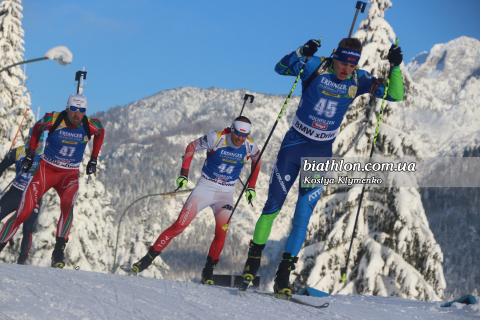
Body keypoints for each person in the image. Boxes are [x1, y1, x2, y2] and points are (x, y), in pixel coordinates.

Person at [240, 38, 404, 295]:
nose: (346, 69)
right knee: (273, 206)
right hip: (294, 146)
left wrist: (395, 67)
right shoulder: (315, 66)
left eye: (352, 65)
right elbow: (280, 69)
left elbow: (394, 95)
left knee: (302, 217)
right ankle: (251, 264)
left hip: (319, 153)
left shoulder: (358, 80)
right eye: (343, 62)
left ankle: (283, 277)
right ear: (335, 56)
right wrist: (299, 53)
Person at [125, 116, 261, 285]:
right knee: (179, 226)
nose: (240, 139)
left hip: (225, 194)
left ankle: (208, 273)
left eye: (244, 135)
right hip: (205, 188)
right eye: (238, 134)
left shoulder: (250, 145)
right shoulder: (216, 138)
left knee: (221, 232)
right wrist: (184, 173)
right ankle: (145, 260)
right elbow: (191, 146)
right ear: (232, 129)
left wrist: (251, 187)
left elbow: (257, 160)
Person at [0, 93, 105, 268]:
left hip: (69, 175)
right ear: (67, 109)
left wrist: (94, 159)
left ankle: (58, 253)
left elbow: (101, 132)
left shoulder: (90, 125)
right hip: (46, 171)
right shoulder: (54, 119)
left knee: (67, 205)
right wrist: (31, 154)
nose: (77, 114)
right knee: (23, 213)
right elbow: (37, 128)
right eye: (73, 110)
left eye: (81, 111)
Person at [0, 129, 44, 264]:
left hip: (34, 196)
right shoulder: (19, 151)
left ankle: (22, 262)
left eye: (39, 142)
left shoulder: (46, 156)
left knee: (27, 227)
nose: (36, 145)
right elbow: (2, 167)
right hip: (15, 193)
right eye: (33, 141)